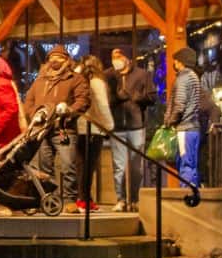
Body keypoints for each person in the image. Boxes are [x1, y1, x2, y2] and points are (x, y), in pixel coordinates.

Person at [25, 46, 89, 208]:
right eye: (52, 58)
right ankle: (50, 200)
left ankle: (69, 201)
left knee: (68, 166)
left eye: (58, 58)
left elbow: (83, 100)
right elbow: (29, 101)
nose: (54, 61)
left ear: (66, 60)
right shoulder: (40, 80)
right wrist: (35, 115)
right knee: (45, 168)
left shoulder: (75, 79)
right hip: (42, 130)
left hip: (64, 129)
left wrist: (69, 111)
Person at [107, 47, 155, 212]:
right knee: (118, 166)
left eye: (119, 55)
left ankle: (134, 199)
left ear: (127, 57)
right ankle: (121, 200)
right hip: (117, 126)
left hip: (136, 126)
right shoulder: (109, 76)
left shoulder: (142, 74)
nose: (116, 59)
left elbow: (152, 97)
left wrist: (138, 98)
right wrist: (115, 97)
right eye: (113, 56)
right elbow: (105, 98)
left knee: (136, 166)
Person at [77, 55, 115, 212]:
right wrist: (109, 126)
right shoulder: (97, 82)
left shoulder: (78, 81)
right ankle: (83, 200)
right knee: (89, 166)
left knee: (81, 166)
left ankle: (84, 198)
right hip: (93, 128)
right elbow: (103, 106)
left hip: (79, 127)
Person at [167, 47, 208, 190]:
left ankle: (187, 193)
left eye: (176, 61)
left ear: (180, 62)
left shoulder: (183, 78)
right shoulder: (194, 76)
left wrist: (170, 121)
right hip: (194, 128)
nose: (174, 64)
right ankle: (193, 190)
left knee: (185, 163)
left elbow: (179, 104)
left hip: (185, 127)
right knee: (191, 163)